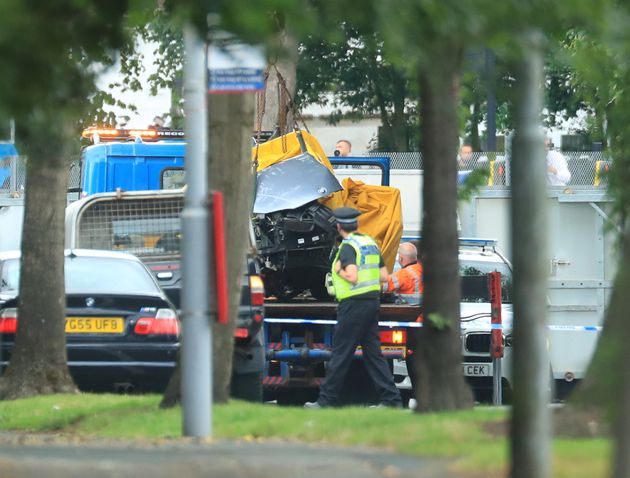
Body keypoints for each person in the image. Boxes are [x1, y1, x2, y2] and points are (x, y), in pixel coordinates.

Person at [304, 207, 402, 409]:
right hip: (372, 303)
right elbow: (385, 277)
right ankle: (391, 400)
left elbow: (353, 276)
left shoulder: (348, 247)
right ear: (356, 225)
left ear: (339, 227)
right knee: (373, 354)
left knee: (340, 353)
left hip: (353, 305)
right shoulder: (370, 244)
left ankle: (325, 401)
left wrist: (339, 270)